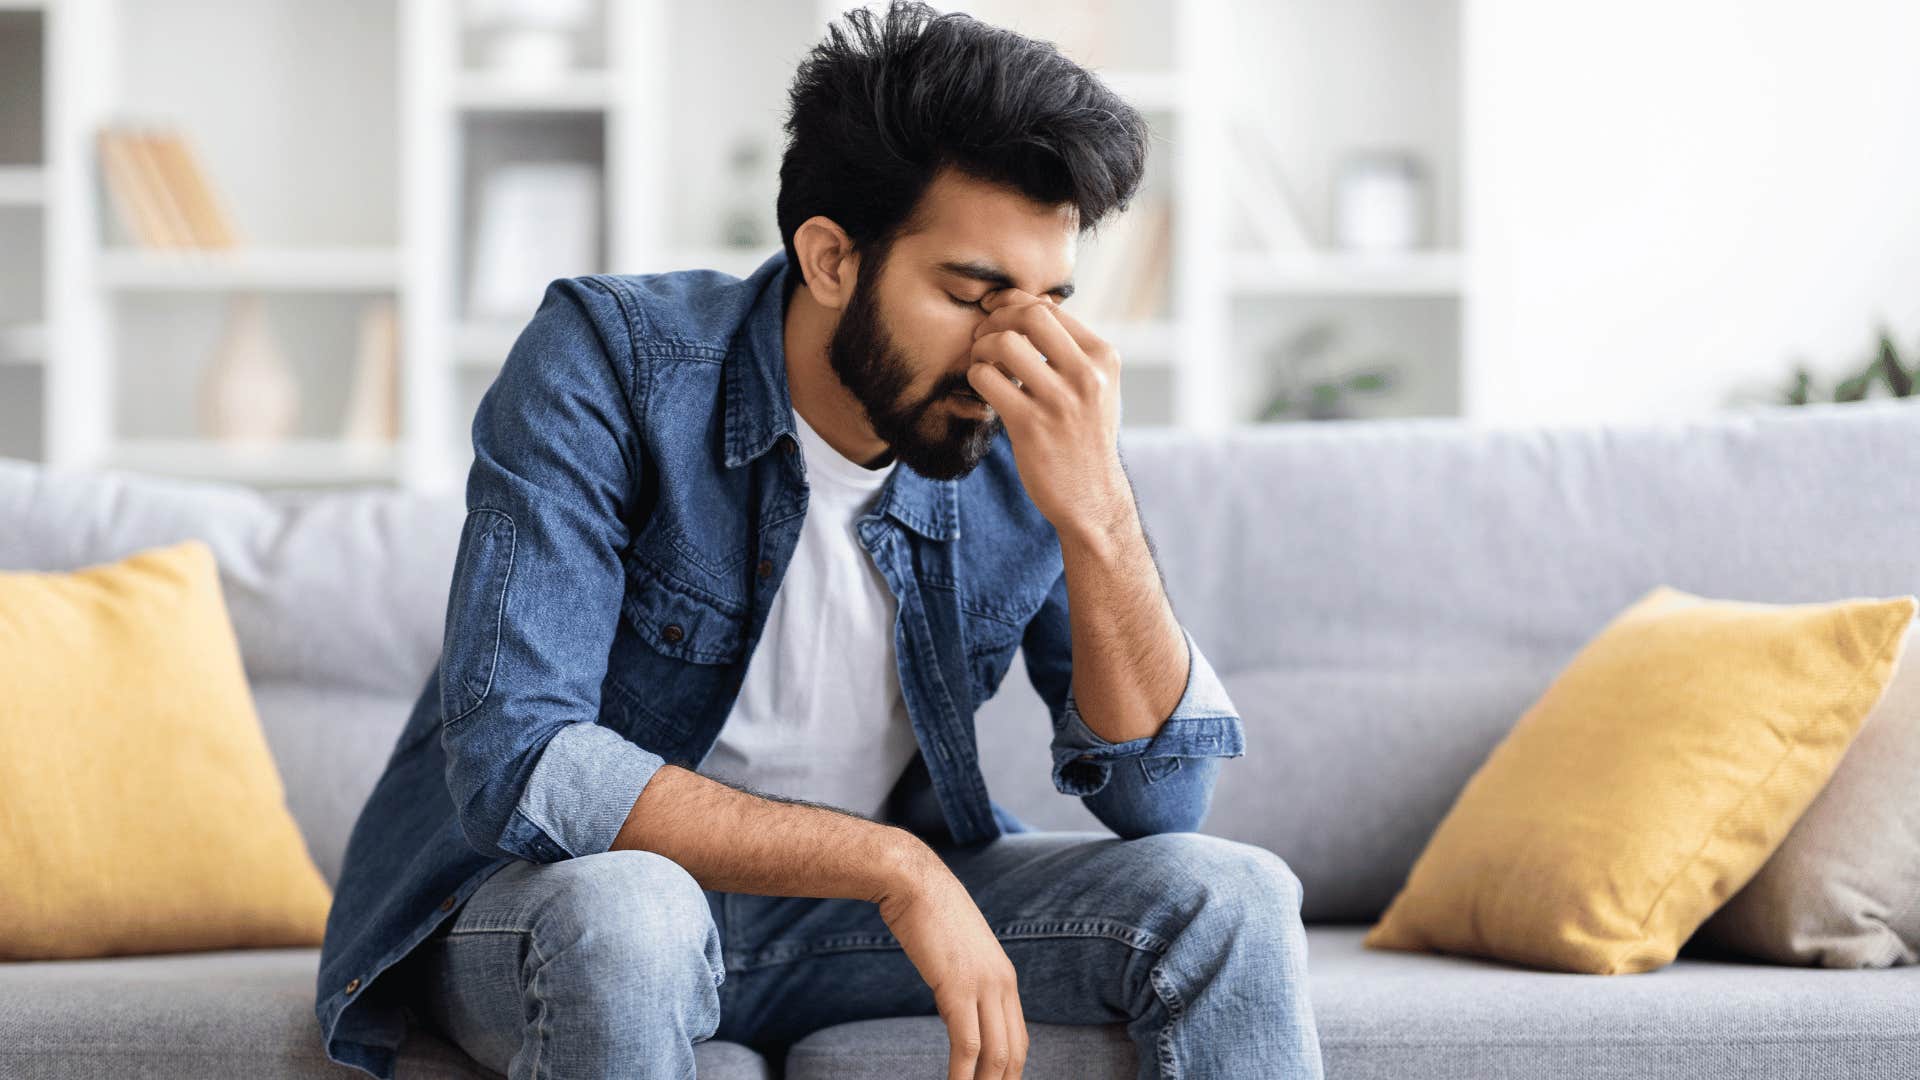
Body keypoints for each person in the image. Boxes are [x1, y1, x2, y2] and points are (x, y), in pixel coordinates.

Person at [314, 3, 1323, 1078]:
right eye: (970, 293)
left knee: (1234, 896)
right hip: (558, 903)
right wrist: (893, 866)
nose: (1014, 347)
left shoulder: (1025, 427)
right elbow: (521, 754)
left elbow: (1159, 803)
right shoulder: (610, 362)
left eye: (1047, 300)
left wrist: (1101, 513)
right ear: (832, 257)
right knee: (634, 912)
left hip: (827, 931)